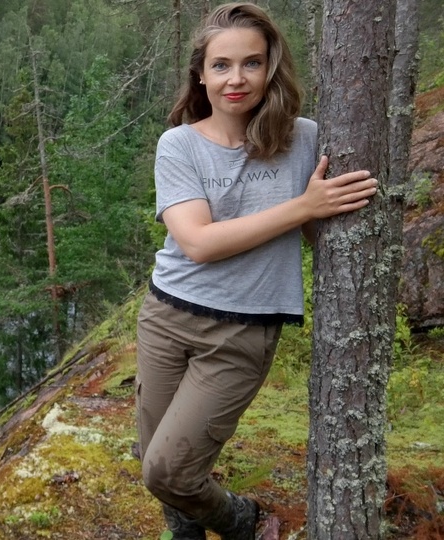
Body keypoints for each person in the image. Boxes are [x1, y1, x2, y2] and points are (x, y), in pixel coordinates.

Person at [134, 3, 379, 539]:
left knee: (167, 468)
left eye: (251, 63)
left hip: (243, 332)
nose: (236, 78)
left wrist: (320, 213)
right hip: (165, 317)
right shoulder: (179, 144)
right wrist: (303, 208)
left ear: (272, 68)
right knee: (153, 458)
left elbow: (324, 232)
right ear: (201, 73)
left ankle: (243, 521)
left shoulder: (307, 139)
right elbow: (196, 242)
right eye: (221, 65)